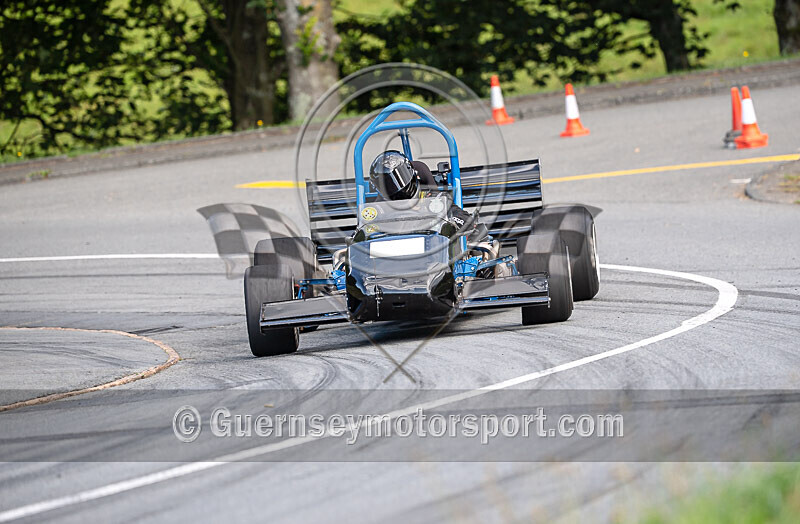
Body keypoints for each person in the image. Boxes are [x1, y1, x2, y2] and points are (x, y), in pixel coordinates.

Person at [368, 150, 482, 236]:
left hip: (436, 257)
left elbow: (465, 219)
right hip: (392, 261)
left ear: (412, 174)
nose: (394, 187)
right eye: (387, 184)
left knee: (479, 236)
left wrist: (452, 224)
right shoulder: (379, 210)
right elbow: (362, 234)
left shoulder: (434, 200)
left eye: (398, 178)